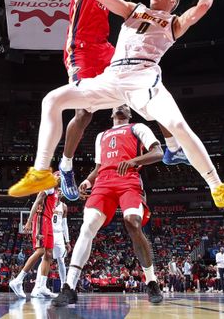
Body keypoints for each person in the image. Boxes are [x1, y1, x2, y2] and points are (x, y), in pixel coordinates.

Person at [9, 0, 224, 217]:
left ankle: (218, 188)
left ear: (173, 2)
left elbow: (203, 7)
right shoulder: (134, 11)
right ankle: (41, 171)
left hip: (144, 77)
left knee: (178, 124)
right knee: (52, 100)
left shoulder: (173, 22)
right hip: (113, 76)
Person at [58, 0, 147, 201]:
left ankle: (166, 144)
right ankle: (66, 165)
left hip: (106, 49)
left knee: (136, 89)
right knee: (84, 110)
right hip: (80, 50)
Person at [52, 105, 165, 306]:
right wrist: (87, 181)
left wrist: (133, 161)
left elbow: (158, 152)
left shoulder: (137, 128)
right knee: (87, 227)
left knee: (132, 222)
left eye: (125, 104)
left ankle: (151, 281)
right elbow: (99, 168)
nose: (120, 106)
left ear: (130, 113)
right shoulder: (101, 136)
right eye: (116, 105)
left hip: (128, 180)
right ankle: (69, 287)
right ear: (111, 113)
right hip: (103, 182)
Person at [9, 182, 59, 299]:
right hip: (41, 219)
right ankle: (18, 280)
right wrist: (29, 221)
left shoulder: (56, 192)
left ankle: (41, 287)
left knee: (49, 254)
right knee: (40, 251)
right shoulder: (49, 185)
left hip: (48, 221)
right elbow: (37, 200)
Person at [51, 194, 71, 288]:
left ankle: (63, 285)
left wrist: (67, 241)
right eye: (57, 190)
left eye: (60, 190)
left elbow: (65, 225)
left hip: (59, 235)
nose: (59, 192)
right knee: (45, 259)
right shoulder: (48, 203)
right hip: (49, 233)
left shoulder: (64, 206)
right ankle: (39, 285)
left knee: (61, 261)